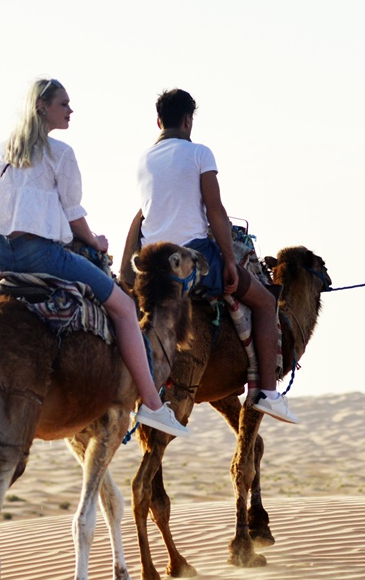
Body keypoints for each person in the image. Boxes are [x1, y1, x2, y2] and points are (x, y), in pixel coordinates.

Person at [0, 78, 189, 439]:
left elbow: (11, 207)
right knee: (124, 306)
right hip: (40, 254)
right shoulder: (60, 153)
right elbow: (73, 214)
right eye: (64, 104)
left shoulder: (4, 149)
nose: (70, 110)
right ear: (43, 107)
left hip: (2, 252)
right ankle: (154, 405)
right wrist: (97, 242)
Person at [125, 88, 298, 424]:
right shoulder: (199, 153)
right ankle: (266, 392)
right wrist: (230, 262)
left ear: (159, 121)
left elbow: (146, 214)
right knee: (264, 302)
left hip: (152, 262)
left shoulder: (143, 160)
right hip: (193, 256)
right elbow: (215, 211)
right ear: (189, 120)